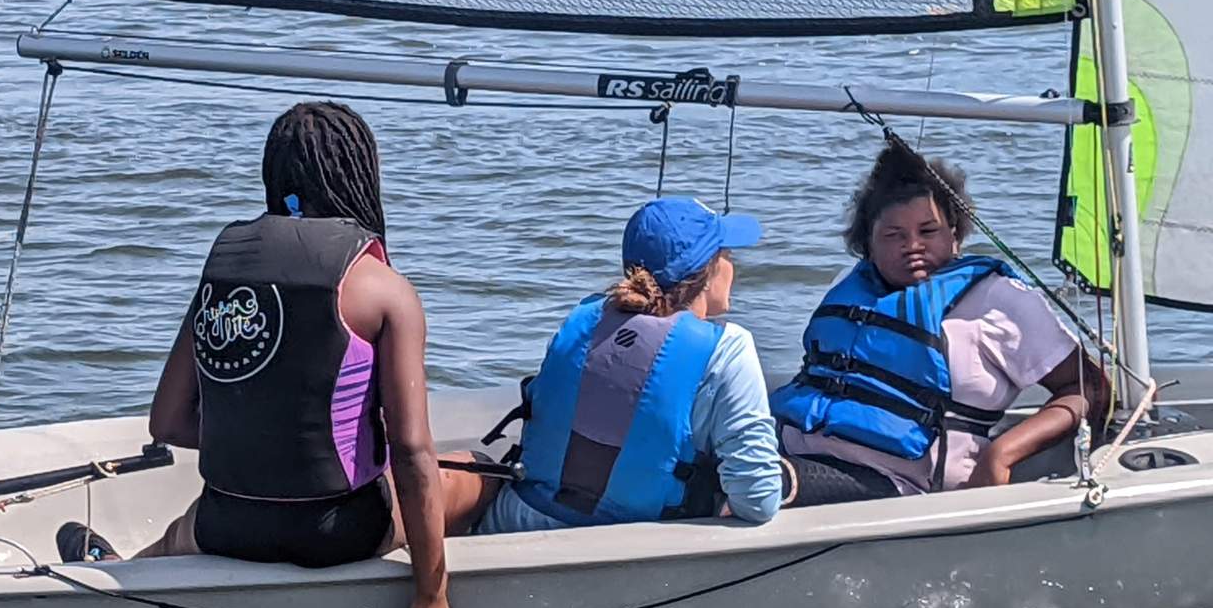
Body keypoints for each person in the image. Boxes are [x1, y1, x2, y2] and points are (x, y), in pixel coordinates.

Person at [55, 102, 453, 608]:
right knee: (465, 479)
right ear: (361, 176)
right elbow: (411, 452)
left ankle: (121, 578)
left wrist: (261, 437)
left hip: (229, 526)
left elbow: (167, 421)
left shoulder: (225, 269)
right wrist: (431, 596)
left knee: (185, 530)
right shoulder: (385, 289)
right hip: (337, 534)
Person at [770, 143, 1108, 505]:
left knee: (753, 486)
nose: (912, 246)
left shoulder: (998, 301)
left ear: (955, 234)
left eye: (928, 232)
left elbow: (1091, 388)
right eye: (893, 235)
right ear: (868, 243)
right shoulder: (849, 285)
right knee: (711, 466)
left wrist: (1002, 452)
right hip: (792, 448)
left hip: (897, 484)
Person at [458, 197, 782, 534]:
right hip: (624, 550)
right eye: (726, 253)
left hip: (512, 524)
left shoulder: (584, 317)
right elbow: (758, 501)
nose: (732, 261)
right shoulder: (729, 349)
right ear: (709, 269)